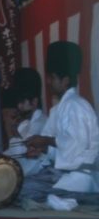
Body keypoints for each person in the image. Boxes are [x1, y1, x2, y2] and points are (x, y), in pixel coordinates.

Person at [19, 41, 99, 206]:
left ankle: (70, 201)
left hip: (80, 176)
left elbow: (76, 145)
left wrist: (46, 141)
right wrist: (41, 148)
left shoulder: (77, 106)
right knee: (19, 186)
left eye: (52, 78)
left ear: (65, 80)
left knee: (25, 191)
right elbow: (59, 151)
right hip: (61, 173)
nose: (48, 82)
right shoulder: (58, 109)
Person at [3, 68, 49, 176]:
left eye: (23, 102)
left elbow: (23, 155)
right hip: (23, 170)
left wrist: (12, 130)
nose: (19, 107)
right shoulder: (25, 124)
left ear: (34, 102)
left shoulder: (41, 123)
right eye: (18, 102)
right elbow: (13, 153)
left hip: (35, 174)